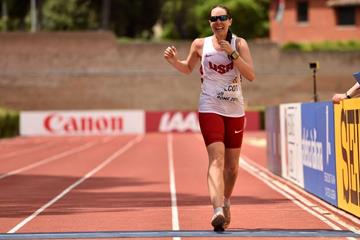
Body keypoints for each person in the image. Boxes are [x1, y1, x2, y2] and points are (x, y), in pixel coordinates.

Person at [163, 5, 255, 231]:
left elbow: (250, 75)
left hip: (234, 110)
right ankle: (216, 210)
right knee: (217, 158)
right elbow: (187, 69)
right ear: (210, 23)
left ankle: (225, 201)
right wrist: (174, 61)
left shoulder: (239, 44)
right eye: (214, 18)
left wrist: (232, 54)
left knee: (232, 167)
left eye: (222, 17)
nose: (218, 21)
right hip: (209, 106)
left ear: (230, 21)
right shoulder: (199, 44)